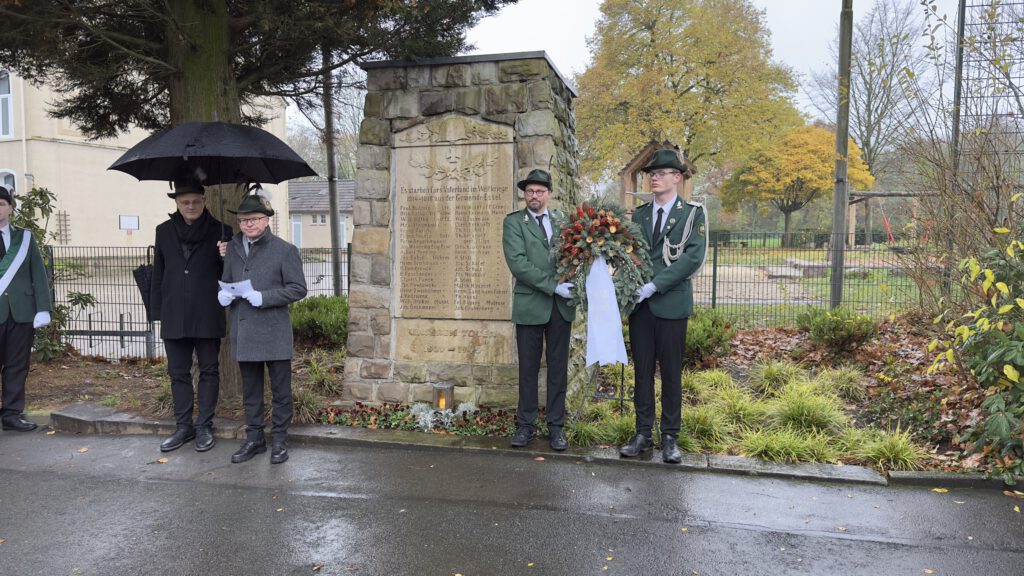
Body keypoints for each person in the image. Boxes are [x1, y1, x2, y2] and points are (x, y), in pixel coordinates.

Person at [620, 149, 707, 464]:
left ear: (677, 177)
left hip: (670, 304)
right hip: (641, 308)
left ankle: (670, 437)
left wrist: (654, 285)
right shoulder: (640, 214)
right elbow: (631, 252)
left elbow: (692, 258)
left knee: (670, 374)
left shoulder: (692, 213)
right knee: (642, 373)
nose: (653, 177)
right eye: (651, 173)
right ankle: (643, 433)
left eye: (660, 172)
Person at [217, 195, 306, 464]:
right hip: (244, 329)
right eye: (243, 220)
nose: (248, 225)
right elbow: (230, 279)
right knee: (251, 391)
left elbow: (298, 289)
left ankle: (279, 439)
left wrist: (265, 297)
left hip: (274, 330)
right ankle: (254, 438)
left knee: (280, 391)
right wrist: (225, 294)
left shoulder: (285, 249)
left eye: (254, 219)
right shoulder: (232, 247)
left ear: (267, 220)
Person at [152, 179, 231, 453]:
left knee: (209, 370)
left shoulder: (222, 231)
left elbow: (229, 278)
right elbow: (159, 272)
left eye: (196, 201)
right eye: (185, 202)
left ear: (204, 200)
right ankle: (183, 426)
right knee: (178, 373)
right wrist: (156, 311)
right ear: (176, 203)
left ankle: (204, 426)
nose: (191, 206)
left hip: (207, 311)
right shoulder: (163, 231)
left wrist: (225, 257)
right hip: (174, 312)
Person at [502, 169, 576, 451]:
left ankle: (556, 427)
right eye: (530, 191)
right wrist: (553, 285)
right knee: (528, 369)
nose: (534, 196)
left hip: (561, 308)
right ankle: (526, 426)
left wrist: (573, 279)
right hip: (531, 304)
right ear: (525, 194)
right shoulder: (514, 223)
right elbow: (518, 263)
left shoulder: (562, 221)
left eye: (540, 191)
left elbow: (574, 254)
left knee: (558, 370)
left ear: (549, 194)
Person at [0, 185, 51, 432]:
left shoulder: (25, 237)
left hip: (21, 312)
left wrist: (43, 308)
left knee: (17, 365)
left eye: (1, 204)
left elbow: (38, 275)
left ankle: (11, 414)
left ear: (10, 208)